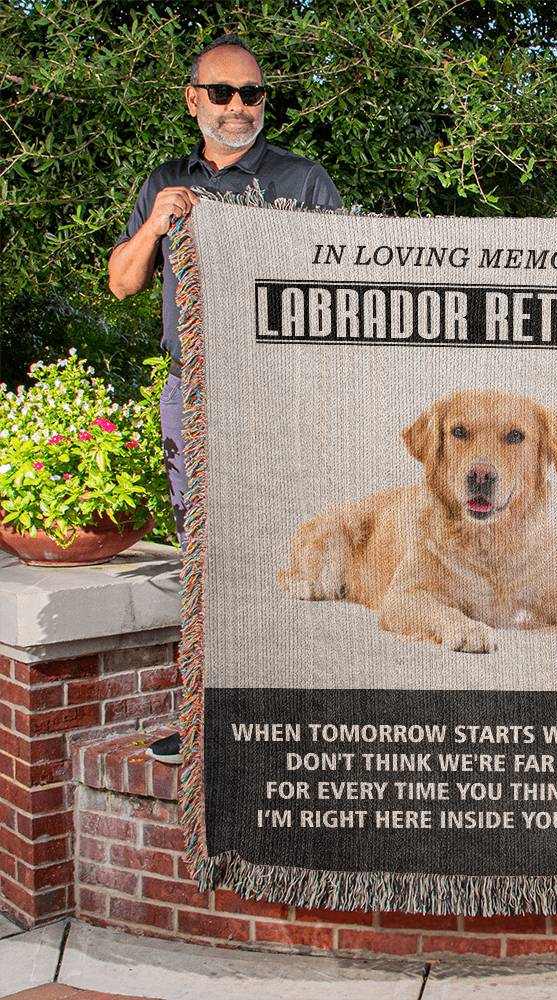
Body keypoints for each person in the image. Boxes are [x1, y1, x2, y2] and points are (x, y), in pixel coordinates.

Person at [109, 34, 342, 765]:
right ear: (193, 100)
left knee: (287, 545)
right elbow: (122, 283)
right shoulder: (165, 183)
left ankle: (294, 721)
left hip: (276, 396)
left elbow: (341, 291)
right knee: (203, 557)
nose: (238, 107)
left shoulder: (303, 182)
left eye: (251, 94)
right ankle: (206, 724)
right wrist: (156, 222)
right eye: (222, 93)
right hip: (195, 395)